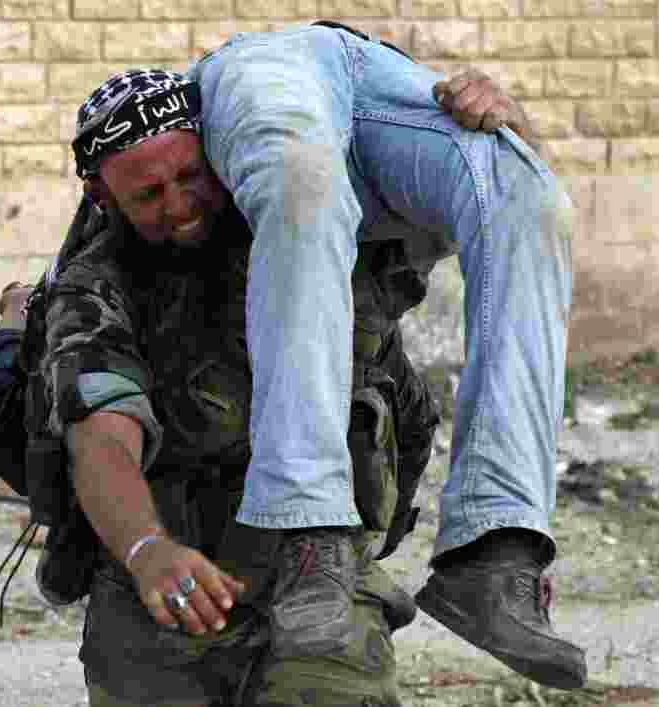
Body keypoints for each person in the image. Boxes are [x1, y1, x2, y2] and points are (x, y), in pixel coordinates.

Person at [0, 54, 547, 704]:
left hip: (323, 592)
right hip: (162, 609)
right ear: (101, 196)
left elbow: (493, 200)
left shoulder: (302, 215)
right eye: (148, 195)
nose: (179, 206)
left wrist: (504, 125)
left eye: (188, 176)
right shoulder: (96, 291)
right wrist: (148, 548)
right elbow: (102, 437)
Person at [181, 22, 584, 690]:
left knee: (528, 195)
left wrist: (521, 129)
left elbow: (509, 174)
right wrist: (39, 295)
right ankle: (309, 534)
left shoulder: (399, 193)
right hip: (269, 64)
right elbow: (114, 178)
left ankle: (495, 548)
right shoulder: (184, 191)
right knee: (303, 183)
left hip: (376, 66)